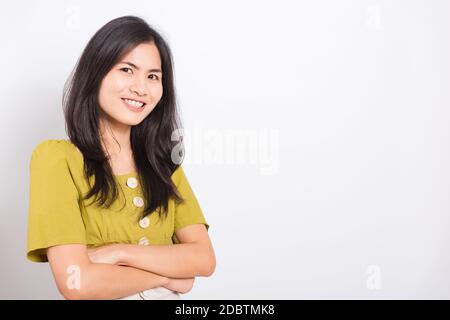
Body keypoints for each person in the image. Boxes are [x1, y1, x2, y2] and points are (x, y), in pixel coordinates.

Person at [26, 16, 216, 300]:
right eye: (127, 70)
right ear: (96, 73)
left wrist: (119, 252)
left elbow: (204, 259)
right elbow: (77, 283)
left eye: (153, 76)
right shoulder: (56, 158)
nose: (141, 88)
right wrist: (169, 275)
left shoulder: (162, 163)